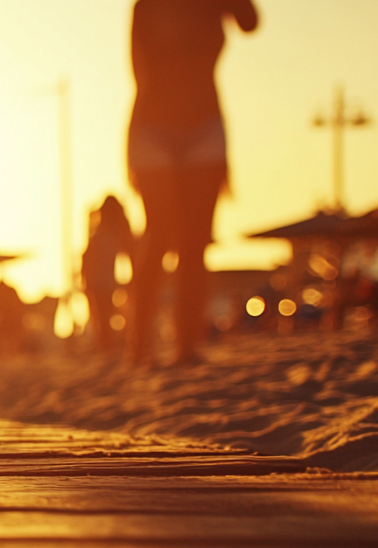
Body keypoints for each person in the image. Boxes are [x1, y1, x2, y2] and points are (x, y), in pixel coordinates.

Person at [126, 0, 258, 366]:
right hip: (152, 126)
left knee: (195, 240)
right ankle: (139, 343)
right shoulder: (147, 5)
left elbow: (250, 22)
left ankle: (187, 344)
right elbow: (138, 69)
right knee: (159, 236)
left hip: (205, 124)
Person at [81, 195, 136, 354]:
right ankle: (105, 345)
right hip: (102, 281)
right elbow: (130, 254)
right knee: (104, 315)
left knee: (103, 315)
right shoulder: (109, 232)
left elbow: (87, 257)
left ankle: (105, 345)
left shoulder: (102, 232)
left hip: (102, 280)